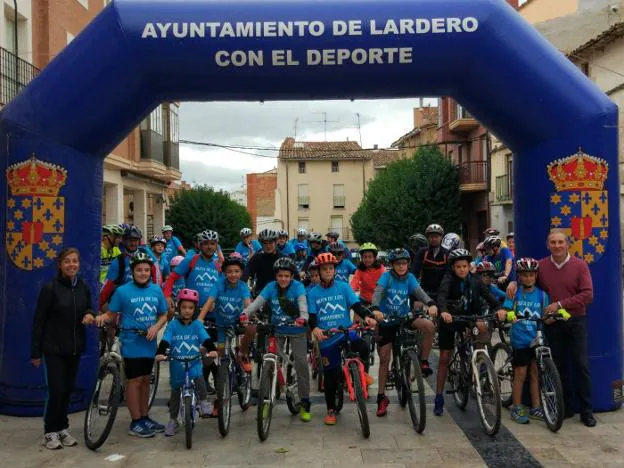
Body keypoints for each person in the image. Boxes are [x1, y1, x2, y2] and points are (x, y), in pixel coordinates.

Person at [506, 229, 595, 427]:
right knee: (557, 366)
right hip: (551, 323)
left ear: (567, 244)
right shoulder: (542, 266)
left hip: (575, 320)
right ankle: (565, 407)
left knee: (581, 365)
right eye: (553, 243)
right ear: (548, 246)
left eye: (560, 242)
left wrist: (560, 304)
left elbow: (587, 295)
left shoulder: (580, 265)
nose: (557, 246)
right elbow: (524, 275)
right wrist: (512, 281)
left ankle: (587, 411)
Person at [95, 252, 169, 438]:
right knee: (134, 381)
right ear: (133, 271)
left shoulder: (156, 290)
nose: (143, 273)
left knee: (145, 381)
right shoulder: (123, 291)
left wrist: (155, 327)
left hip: (149, 342)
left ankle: (144, 417)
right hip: (131, 341)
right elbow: (111, 314)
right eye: (139, 270)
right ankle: (135, 421)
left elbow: (163, 314)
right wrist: (99, 318)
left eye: (146, 270)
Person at [31, 248, 96, 450]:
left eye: (75, 261)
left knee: (67, 390)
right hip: (53, 349)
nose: (71, 265)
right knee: (57, 390)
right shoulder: (50, 288)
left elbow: (90, 307)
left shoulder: (83, 286)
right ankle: (50, 431)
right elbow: (38, 322)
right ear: (60, 264)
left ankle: (63, 428)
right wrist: (35, 352)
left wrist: (89, 314)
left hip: (75, 348)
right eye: (67, 261)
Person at [307, 252, 382, 425]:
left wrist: (368, 316)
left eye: (330, 268)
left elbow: (357, 305)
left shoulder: (343, 287)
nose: (327, 271)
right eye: (324, 269)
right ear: (318, 271)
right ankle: (331, 410)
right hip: (327, 337)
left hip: (345, 331)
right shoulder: (313, 293)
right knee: (331, 378)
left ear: (335, 270)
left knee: (362, 346)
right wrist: (315, 328)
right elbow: (311, 316)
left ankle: (361, 373)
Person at [430, 249, 505, 417]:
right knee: (444, 357)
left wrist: (499, 309)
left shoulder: (476, 281)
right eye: (458, 267)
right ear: (453, 268)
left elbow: (489, 296)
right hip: (450, 319)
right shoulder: (448, 280)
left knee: (480, 334)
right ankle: (439, 397)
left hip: (469, 318)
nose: (462, 269)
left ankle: (480, 369)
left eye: (465, 266)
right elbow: (441, 296)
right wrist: (443, 310)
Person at [241, 257, 312, 421]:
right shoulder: (270, 287)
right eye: (280, 275)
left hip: (297, 329)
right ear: (276, 276)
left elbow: (302, 304)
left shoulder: (298, 287)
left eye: (287, 276)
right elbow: (257, 303)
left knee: (301, 363)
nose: (283, 279)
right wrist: (246, 313)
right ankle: (266, 400)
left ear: (292, 276)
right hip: (277, 329)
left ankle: (305, 401)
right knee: (270, 361)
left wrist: (303, 317)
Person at [372, 248, 438, 416]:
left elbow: (419, 292)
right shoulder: (386, 277)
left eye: (404, 263)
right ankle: (381, 397)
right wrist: (375, 308)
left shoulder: (410, 277)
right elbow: (378, 292)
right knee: (385, 358)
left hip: (404, 317)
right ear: (392, 265)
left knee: (429, 326)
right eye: (398, 264)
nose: (401, 267)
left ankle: (423, 361)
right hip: (387, 320)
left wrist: (431, 303)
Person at [156, 288, 218, 436]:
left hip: (193, 361)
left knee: (200, 380)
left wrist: (212, 349)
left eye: (190, 308)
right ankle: (172, 420)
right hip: (177, 364)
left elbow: (205, 338)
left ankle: (203, 402)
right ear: (179, 308)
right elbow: (166, 340)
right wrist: (160, 353)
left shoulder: (197, 325)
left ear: (195, 309)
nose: (187, 311)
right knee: (175, 393)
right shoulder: (173, 325)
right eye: (184, 307)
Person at [496, 258, 548, 424]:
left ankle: (536, 407)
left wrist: (558, 314)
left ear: (536, 275)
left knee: (534, 373)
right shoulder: (515, 292)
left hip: (536, 338)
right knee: (520, 373)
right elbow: (506, 307)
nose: (528, 278)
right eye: (525, 275)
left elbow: (546, 315)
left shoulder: (542, 295)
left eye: (532, 275)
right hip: (520, 339)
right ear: (519, 276)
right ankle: (516, 406)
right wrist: (505, 313)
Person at [199, 253, 254, 373]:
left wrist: (248, 316)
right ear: (224, 273)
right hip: (221, 326)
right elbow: (209, 302)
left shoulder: (243, 286)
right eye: (229, 272)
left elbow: (247, 304)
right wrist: (200, 319)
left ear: (241, 272)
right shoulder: (219, 284)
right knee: (222, 352)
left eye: (236, 271)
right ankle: (224, 377)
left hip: (237, 324)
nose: (233, 274)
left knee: (241, 346)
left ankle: (242, 356)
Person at [163, 230, 222, 315]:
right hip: (191, 311)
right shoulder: (191, 260)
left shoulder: (217, 265)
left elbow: (219, 287)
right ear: (200, 246)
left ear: (216, 246)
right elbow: (172, 277)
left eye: (212, 244)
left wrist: (216, 300)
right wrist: (167, 296)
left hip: (211, 311)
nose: (209, 247)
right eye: (206, 244)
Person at [100, 225, 154, 310]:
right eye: (130, 240)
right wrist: (98, 307)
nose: (133, 243)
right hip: (126, 300)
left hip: (146, 297)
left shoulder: (146, 254)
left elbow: (156, 275)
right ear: (124, 241)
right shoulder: (118, 261)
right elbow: (107, 287)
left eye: (135, 240)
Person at [412, 224, 449, 302]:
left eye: (436, 236)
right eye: (431, 236)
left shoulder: (447, 253)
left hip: (443, 292)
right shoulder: (422, 252)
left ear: (441, 237)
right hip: (425, 291)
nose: (434, 239)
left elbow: (449, 274)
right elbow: (415, 272)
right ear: (428, 237)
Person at [242, 228, 283, 296]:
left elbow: (295, 277)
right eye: (265, 243)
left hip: (279, 293)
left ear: (276, 242)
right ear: (261, 244)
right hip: (261, 293)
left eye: (270, 243)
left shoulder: (283, 258)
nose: (268, 246)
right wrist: (240, 286)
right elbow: (246, 272)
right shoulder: (257, 257)